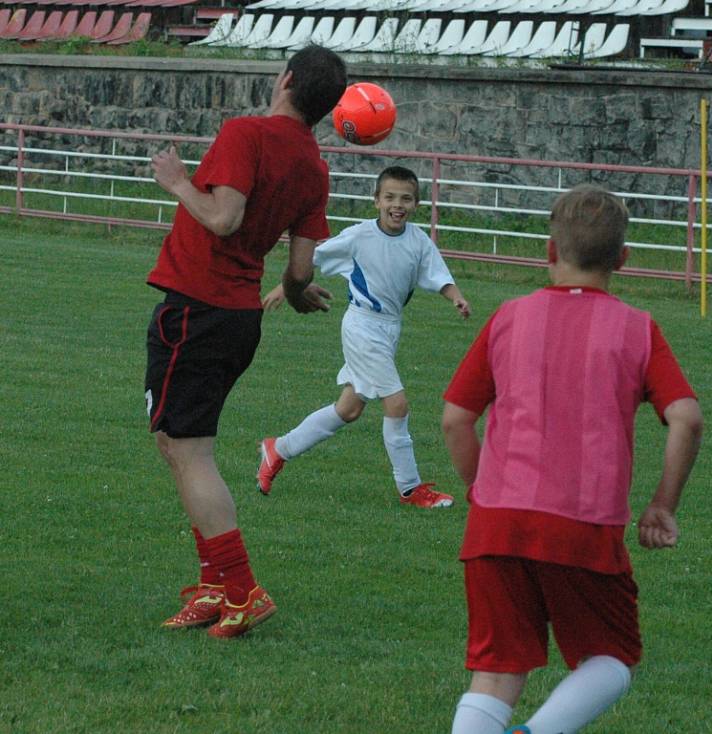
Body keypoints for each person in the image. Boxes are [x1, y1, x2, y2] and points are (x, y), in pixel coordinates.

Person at [442, 184, 703, 734]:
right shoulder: (637, 328)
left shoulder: (509, 316)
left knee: (496, 671)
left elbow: (455, 418)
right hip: (584, 526)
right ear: (624, 259)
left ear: (549, 252)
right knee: (612, 660)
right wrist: (662, 505)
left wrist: (481, 486)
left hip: (498, 522)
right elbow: (687, 417)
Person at [144, 45, 347, 639]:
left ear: (285, 79)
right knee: (175, 441)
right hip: (235, 318)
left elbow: (223, 217)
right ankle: (214, 586)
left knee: (189, 451)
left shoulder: (246, 132)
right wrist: (296, 290)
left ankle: (240, 589)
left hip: (197, 312)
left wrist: (178, 181)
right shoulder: (314, 165)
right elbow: (302, 267)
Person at [257, 165, 471, 509]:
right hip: (362, 326)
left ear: (416, 204)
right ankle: (410, 488)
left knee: (349, 408)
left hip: (389, 328)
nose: (396, 204)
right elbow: (312, 258)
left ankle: (277, 449)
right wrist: (287, 287)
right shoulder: (359, 236)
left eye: (405, 198)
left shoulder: (418, 241)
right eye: (389, 197)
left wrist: (456, 297)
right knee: (397, 404)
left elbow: (438, 274)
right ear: (376, 201)